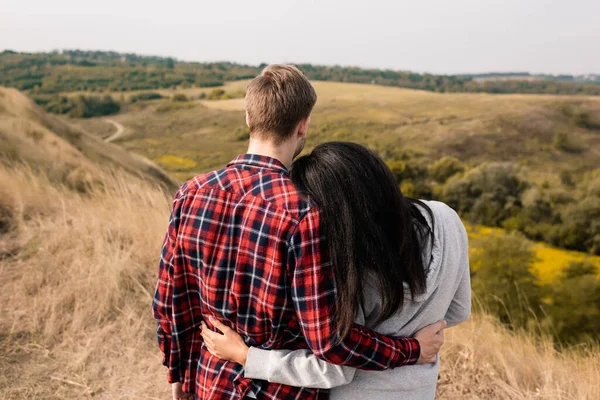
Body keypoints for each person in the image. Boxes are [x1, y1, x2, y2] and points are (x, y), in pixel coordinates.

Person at [152, 65, 446, 400]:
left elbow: (170, 300)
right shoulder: (307, 215)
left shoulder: (191, 192)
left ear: (249, 118)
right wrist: (411, 350)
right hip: (281, 393)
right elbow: (330, 342)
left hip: (209, 382)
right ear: (303, 124)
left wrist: (177, 370)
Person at [199, 142, 471, 400]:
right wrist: (417, 340)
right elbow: (459, 311)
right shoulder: (446, 219)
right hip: (419, 391)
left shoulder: (348, 267)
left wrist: (247, 357)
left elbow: (334, 368)